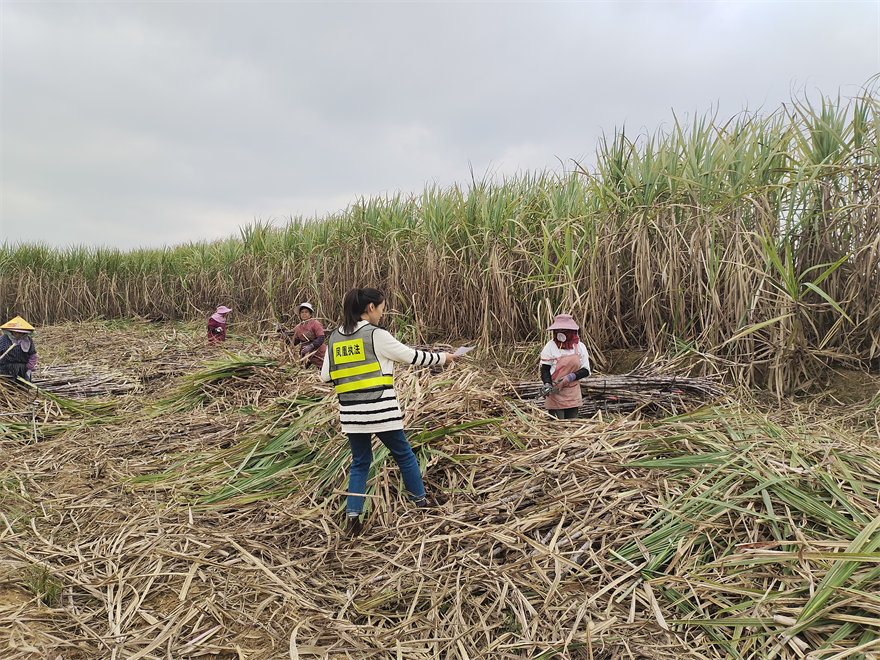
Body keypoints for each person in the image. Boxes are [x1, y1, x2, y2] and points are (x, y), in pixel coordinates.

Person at [321, 287, 458, 538]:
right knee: (404, 455)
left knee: (360, 463)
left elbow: (325, 375)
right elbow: (410, 356)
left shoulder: (334, 337)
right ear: (370, 308)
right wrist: (444, 358)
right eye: (382, 309)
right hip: (380, 409)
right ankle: (421, 504)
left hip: (351, 413)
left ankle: (353, 519)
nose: (382, 315)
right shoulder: (375, 335)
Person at [540, 314, 591, 420]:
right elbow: (545, 369)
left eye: (564, 330)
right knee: (558, 425)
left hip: (573, 392)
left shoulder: (580, 347)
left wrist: (570, 377)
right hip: (555, 392)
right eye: (558, 330)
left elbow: (586, 370)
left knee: (572, 424)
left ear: (571, 331)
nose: (560, 333)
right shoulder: (550, 347)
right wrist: (547, 384)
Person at [0, 316, 38, 383]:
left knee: (23, 389)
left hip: (22, 371)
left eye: (20, 332)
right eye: (16, 332)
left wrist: (29, 369)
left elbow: (33, 355)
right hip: (5, 370)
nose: (18, 334)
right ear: (11, 331)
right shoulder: (3, 340)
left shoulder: (27, 341)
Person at [291, 302, 327, 368]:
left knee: (321, 370)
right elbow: (295, 342)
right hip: (306, 356)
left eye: (306, 312)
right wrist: (282, 334)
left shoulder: (315, 324)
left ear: (310, 314)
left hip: (318, 353)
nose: (304, 314)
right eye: (302, 312)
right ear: (299, 314)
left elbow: (321, 338)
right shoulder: (298, 327)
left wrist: (311, 346)